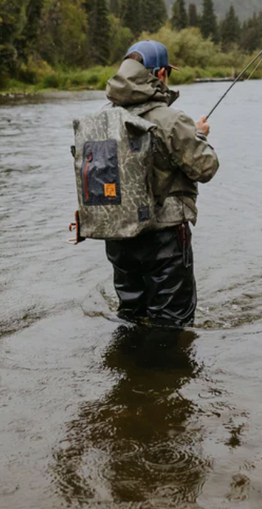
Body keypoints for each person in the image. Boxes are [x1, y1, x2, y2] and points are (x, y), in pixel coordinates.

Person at [103, 40, 219, 327]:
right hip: (164, 239)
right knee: (172, 323)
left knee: (131, 315)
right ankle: (165, 370)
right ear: (160, 74)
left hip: (118, 236)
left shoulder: (105, 117)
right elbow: (205, 168)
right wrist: (199, 135)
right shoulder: (172, 119)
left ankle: (128, 367)